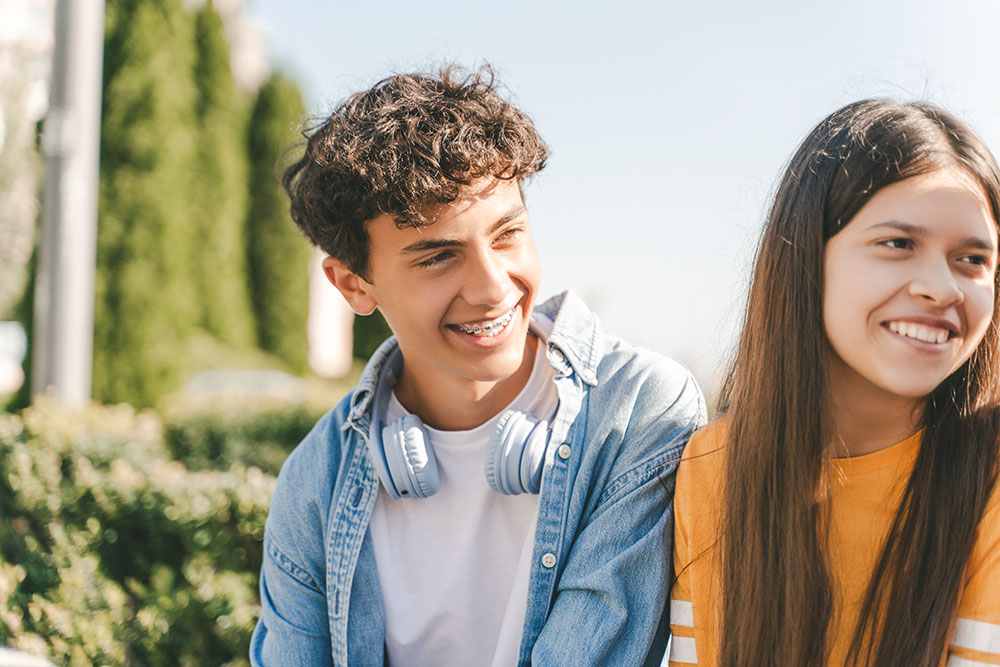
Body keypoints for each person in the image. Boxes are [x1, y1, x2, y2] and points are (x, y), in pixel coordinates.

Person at [249, 65, 706, 667]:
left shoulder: (640, 412)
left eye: (508, 234)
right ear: (354, 284)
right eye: (439, 257)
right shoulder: (317, 481)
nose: (494, 288)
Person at [668, 99, 1000, 667]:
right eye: (898, 244)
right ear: (805, 259)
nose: (942, 288)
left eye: (972, 259)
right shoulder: (712, 465)